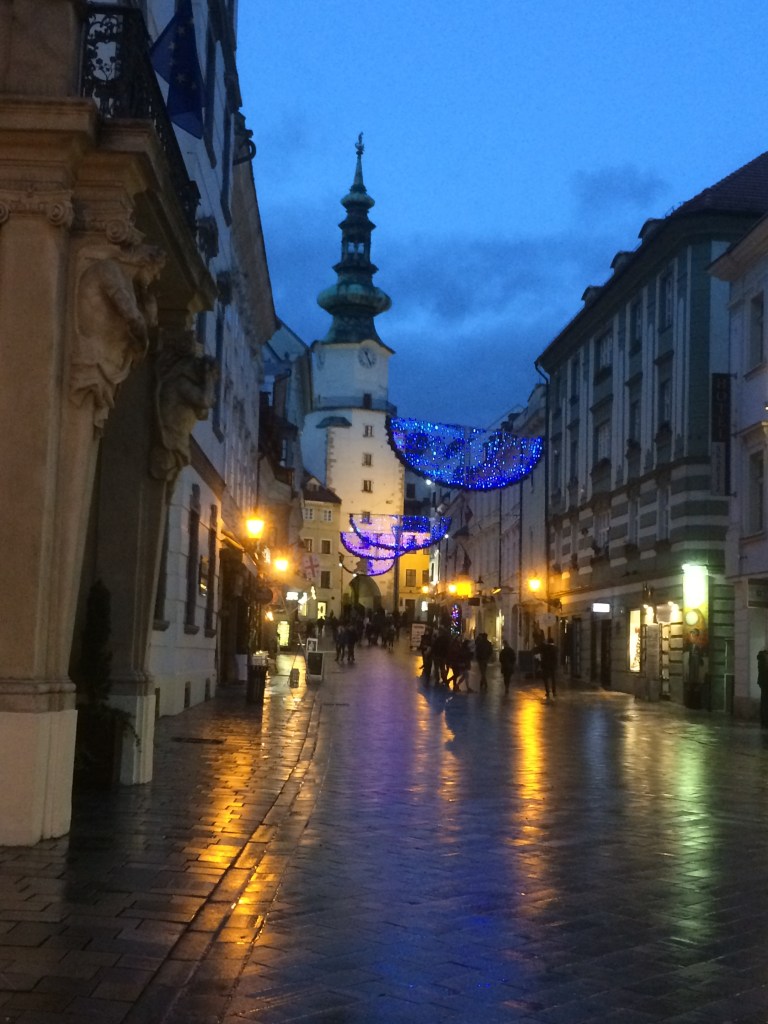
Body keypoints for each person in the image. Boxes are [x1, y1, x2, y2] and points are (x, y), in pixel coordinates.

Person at [757, 649, 768, 728]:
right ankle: (765, 720)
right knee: (765, 702)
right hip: (765, 683)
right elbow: (764, 671)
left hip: (763, 682)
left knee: (764, 702)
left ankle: (764, 720)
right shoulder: (763, 658)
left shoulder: (762, 658)